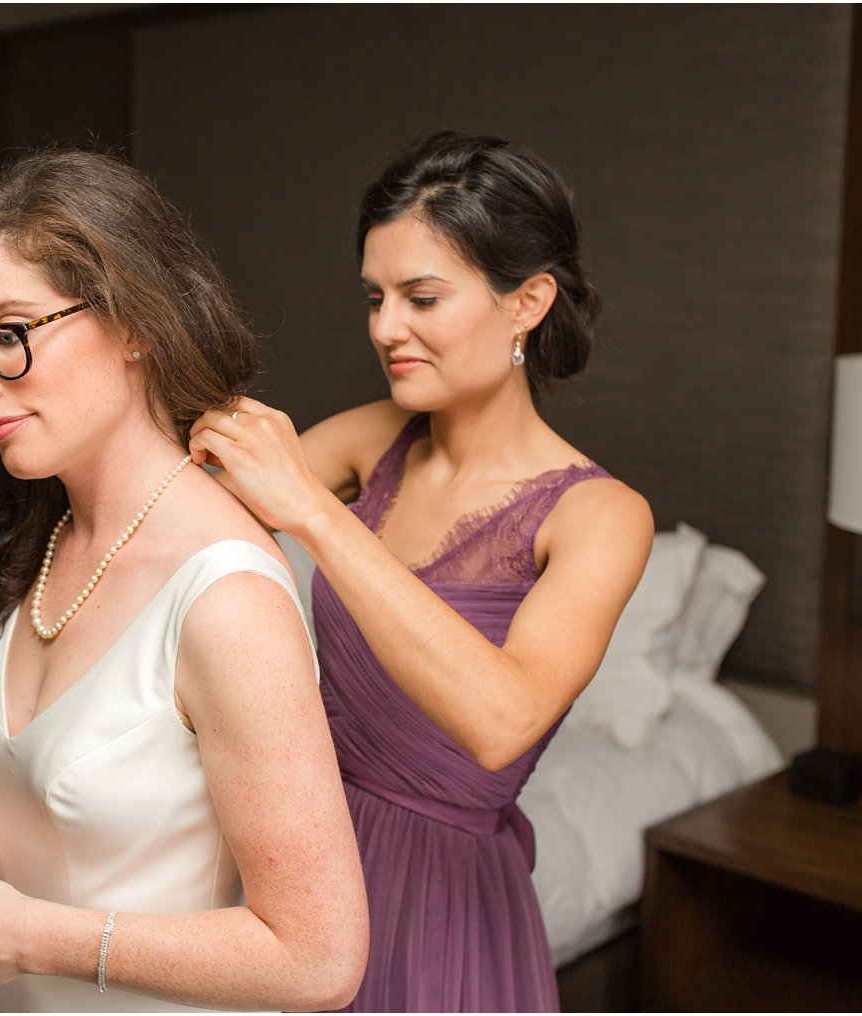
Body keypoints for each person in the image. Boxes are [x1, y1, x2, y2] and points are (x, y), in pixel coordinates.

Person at [0, 148, 368, 1013]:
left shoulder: (226, 596)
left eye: (8, 334)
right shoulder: (55, 526)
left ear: (134, 320)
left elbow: (319, 960)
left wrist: (23, 933)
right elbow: (106, 759)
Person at [189, 133, 654, 1012]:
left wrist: (317, 514)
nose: (383, 329)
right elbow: (168, 526)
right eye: (375, 297)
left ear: (529, 302)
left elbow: (501, 719)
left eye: (422, 297)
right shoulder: (374, 440)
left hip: (441, 901)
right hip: (304, 859)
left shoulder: (600, 516)